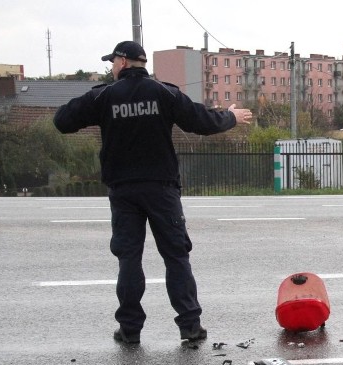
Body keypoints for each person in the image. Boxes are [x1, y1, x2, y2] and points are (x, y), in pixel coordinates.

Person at [54, 40, 252, 344]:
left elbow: (62, 121)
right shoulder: (165, 93)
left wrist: (100, 99)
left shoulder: (105, 96)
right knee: (176, 256)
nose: (111, 67)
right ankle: (190, 326)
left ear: (121, 62)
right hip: (162, 189)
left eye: (112, 63)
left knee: (129, 258)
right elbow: (201, 121)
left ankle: (130, 330)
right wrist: (231, 117)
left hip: (123, 191)